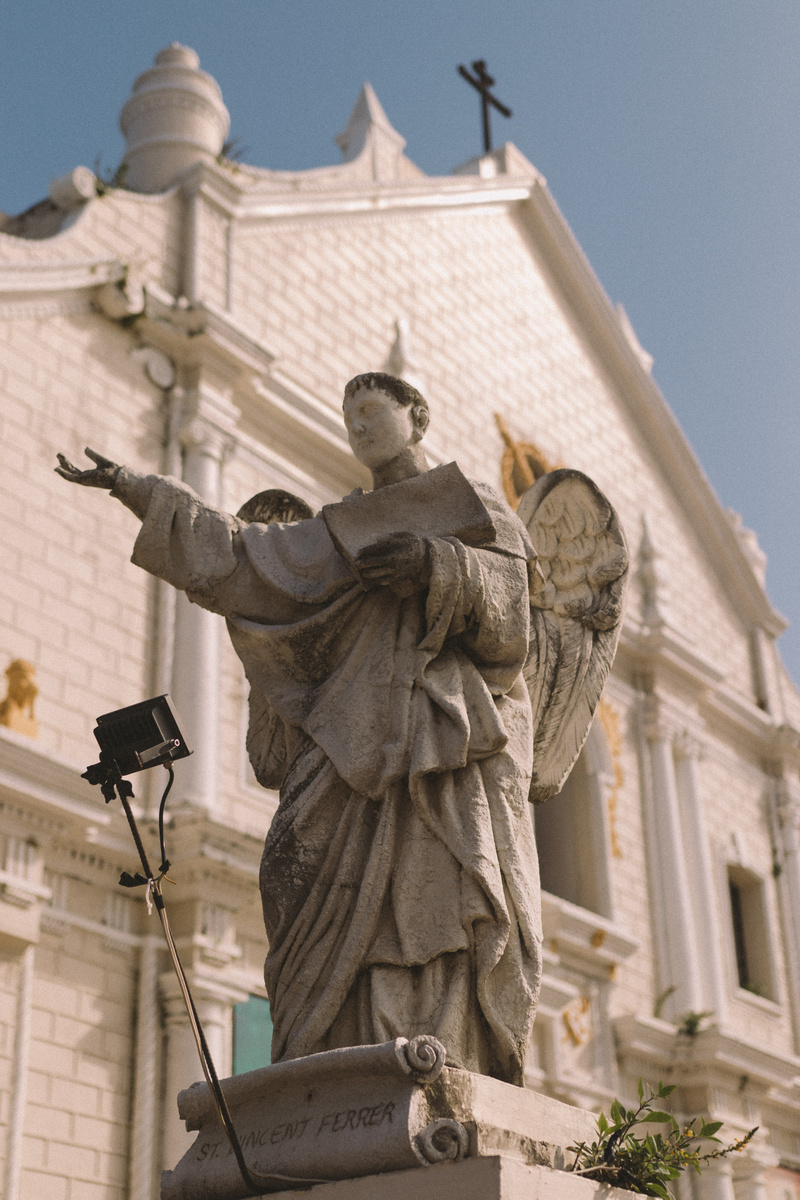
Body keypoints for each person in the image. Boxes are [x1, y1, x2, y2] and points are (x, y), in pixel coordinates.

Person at [57, 372, 542, 1086]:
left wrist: (438, 565)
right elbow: (239, 556)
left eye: (373, 411)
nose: (360, 428)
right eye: (349, 418)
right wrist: (140, 489)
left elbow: (514, 630)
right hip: (341, 755)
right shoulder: (334, 533)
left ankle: (436, 1072)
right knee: (294, 871)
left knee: (434, 910)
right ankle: (328, 1082)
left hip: (433, 751)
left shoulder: (473, 507)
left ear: (418, 416)